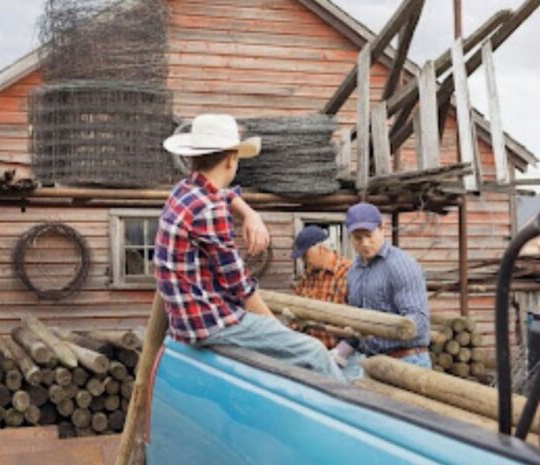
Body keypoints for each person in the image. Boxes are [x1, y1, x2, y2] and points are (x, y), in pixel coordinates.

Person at [154, 114, 345, 381]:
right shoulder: (210, 210)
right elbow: (240, 286)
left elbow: (223, 193)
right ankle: (349, 411)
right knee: (312, 351)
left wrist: (249, 213)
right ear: (232, 160)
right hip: (209, 323)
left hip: (185, 320)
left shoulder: (183, 191)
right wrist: (278, 330)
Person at [336, 202, 431, 376]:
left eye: (369, 235)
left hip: (407, 361)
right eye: (358, 238)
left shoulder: (401, 265)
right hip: (372, 361)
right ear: (350, 237)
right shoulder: (354, 271)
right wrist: (343, 349)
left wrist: (380, 330)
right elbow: (358, 321)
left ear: (382, 229)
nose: (365, 243)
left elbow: (419, 323)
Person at [291, 225, 351, 349]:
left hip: (342, 354)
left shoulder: (349, 273)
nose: (303, 260)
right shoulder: (306, 278)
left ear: (322, 249)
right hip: (311, 352)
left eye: (305, 255)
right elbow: (296, 315)